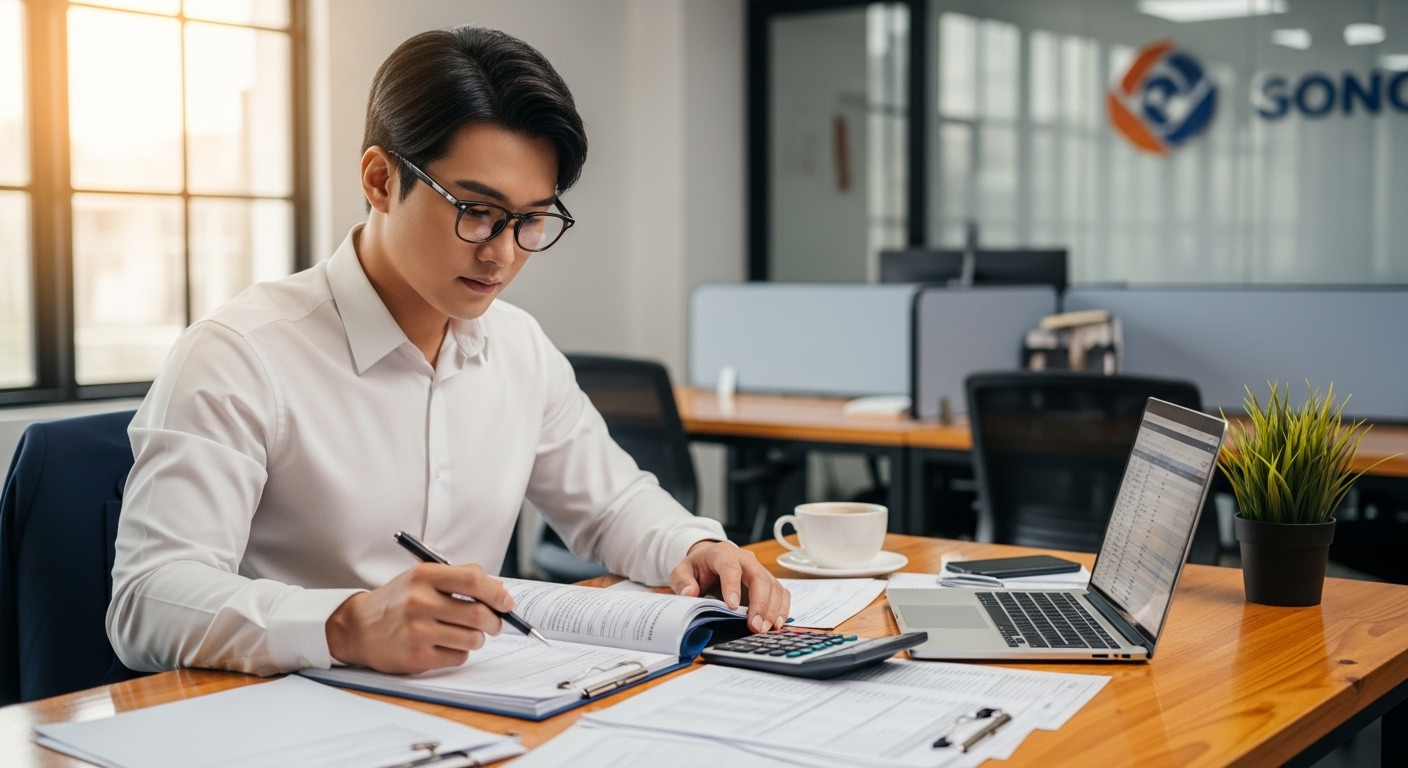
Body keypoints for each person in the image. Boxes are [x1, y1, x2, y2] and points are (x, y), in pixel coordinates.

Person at [107, 26, 790, 677]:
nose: (501, 252)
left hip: (478, 709)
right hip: (282, 717)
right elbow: (147, 600)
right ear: (379, 180)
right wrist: (343, 624)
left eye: (530, 220)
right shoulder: (238, 355)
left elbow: (612, 504)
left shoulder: (519, 347)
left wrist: (694, 545)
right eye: (475, 209)